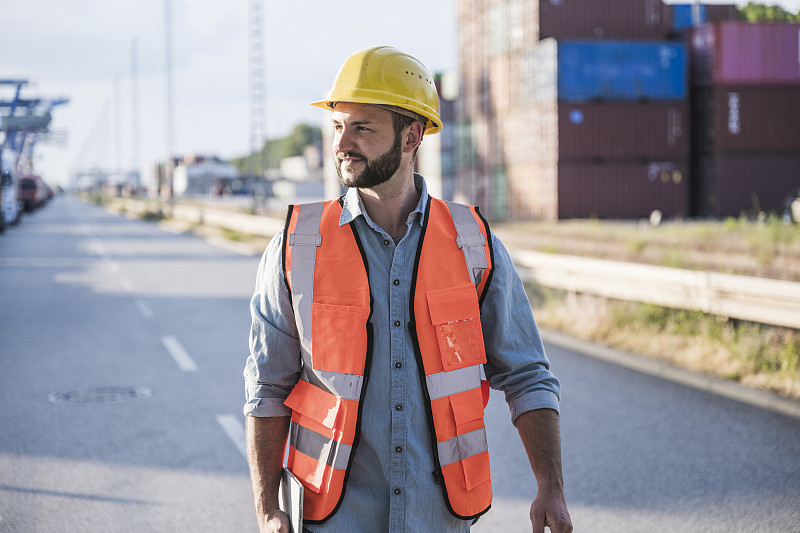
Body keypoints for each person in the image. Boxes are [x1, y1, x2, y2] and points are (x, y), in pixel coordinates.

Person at [244, 45, 572, 533]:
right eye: (338, 126)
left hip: (438, 518)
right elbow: (266, 388)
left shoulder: (472, 244)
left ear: (411, 136)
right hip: (332, 518)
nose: (342, 144)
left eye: (363, 127)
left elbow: (527, 377)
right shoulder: (296, 246)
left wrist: (551, 488)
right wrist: (268, 509)